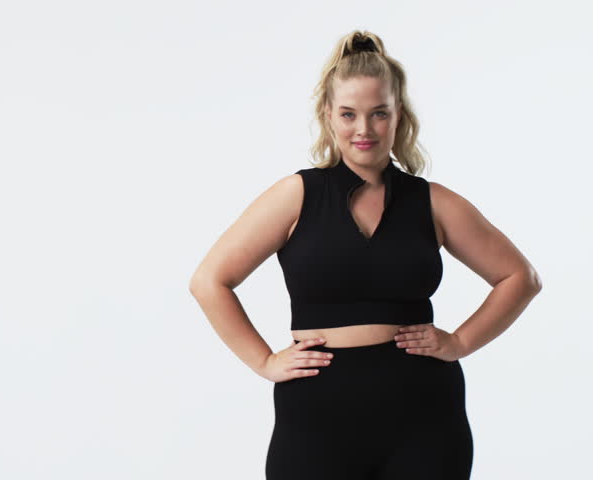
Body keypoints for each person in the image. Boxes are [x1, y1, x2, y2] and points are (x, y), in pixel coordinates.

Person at [188, 30, 542, 480]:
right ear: (328, 116)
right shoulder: (295, 195)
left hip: (425, 417)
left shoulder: (433, 202)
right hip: (316, 420)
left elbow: (519, 277)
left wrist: (461, 342)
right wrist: (263, 361)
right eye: (349, 114)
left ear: (399, 117)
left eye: (379, 113)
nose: (364, 129)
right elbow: (209, 281)